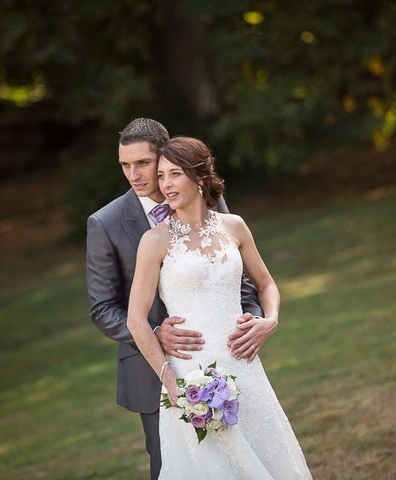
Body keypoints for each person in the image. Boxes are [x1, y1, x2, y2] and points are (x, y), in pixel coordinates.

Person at [86, 119, 264, 480]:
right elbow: (103, 308)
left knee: (247, 457)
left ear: (166, 156)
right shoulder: (105, 223)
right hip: (153, 373)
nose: (133, 175)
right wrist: (154, 332)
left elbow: (237, 272)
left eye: (142, 164)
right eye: (124, 165)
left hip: (227, 355)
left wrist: (253, 319)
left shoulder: (205, 197)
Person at [127, 137, 313, 478]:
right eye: (162, 175)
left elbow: (266, 284)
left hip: (243, 362)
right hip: (191, 376)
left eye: (175, 174)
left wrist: (269, 320)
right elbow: (136, 319)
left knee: (267, 453)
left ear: (199, 177)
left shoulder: (234, 226)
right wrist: (169, 380)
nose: (166, 184)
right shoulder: (155, 241)